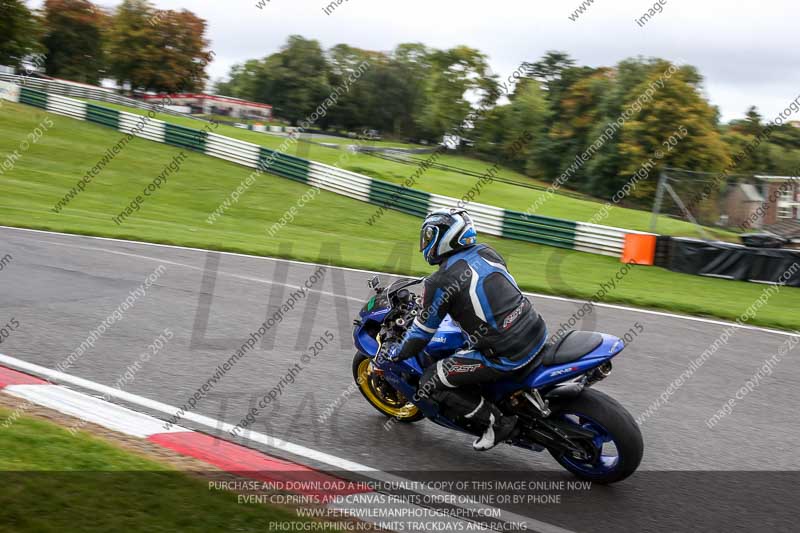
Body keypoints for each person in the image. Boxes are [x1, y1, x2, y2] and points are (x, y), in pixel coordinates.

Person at [383, 208, 548, 450]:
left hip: (504, 353)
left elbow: (421, 334)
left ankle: (497, 423)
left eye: (429, 238)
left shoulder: (439, 281)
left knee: (430, 381)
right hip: (536, 329)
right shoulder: (487, 251)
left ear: (444, 238)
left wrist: (398, 352)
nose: (424, 245)